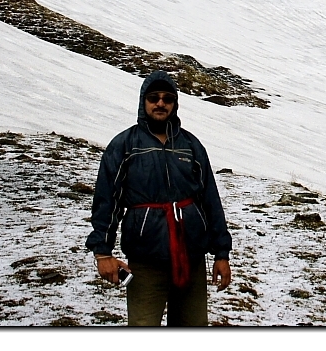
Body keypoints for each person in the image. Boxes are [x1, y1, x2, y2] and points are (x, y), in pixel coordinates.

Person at [86, 70, 232, 326]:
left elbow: (210, 200)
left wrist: (221, 254)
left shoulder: (190, 145)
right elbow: (107, 201)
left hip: (192, 259)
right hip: (145, 261)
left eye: (167, 98)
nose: (161, 103)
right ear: (144, 102)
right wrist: (102, 252)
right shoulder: (125, 145)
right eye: (154, 98)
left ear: (175, 104)